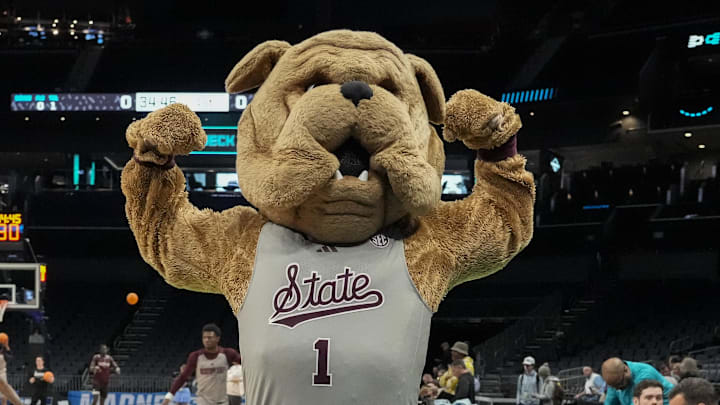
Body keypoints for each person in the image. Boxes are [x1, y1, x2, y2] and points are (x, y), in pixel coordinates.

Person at [162, 324, 241, 405]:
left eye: (210, 337)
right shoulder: (195, 356)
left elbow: (246, 367)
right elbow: (183, 377)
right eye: (204, 337)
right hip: (204, 400)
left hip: (222, 400)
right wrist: (168, 397)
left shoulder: (228, 353)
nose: (206, 340)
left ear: (217, 338)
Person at [601, 357, 674, 405]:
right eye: (613, 386)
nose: (617, 389)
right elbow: (609, 402)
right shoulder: (616, 379)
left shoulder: (645, 374)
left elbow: (637, 403)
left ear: (626, 370)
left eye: (619, 384)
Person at [0, 336, 12, 405]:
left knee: (4, 397)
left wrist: (7, 346)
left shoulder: (4, 353)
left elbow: (10, 357)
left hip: (2, 375)